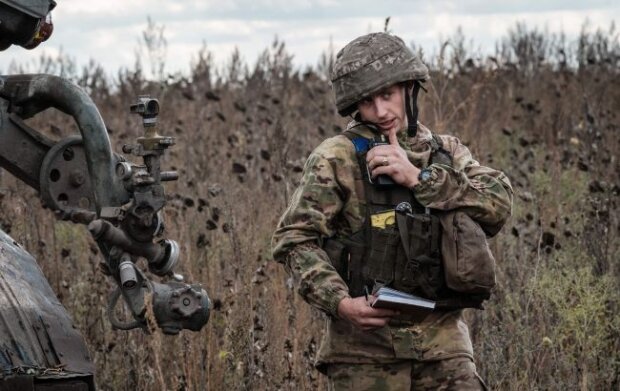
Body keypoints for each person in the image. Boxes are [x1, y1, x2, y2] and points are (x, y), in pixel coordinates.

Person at [272, 32, 513, 390]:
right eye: (368, 102)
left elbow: (498, 204)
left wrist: (420, 178)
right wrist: (341, 304)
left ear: (409, 89)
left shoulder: (445, 153)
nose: (381, 111)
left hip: (444, 349)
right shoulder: (336, 158)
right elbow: (294, 240)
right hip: (364, 353)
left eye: (388, 95)